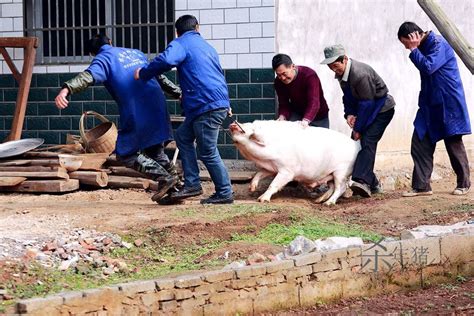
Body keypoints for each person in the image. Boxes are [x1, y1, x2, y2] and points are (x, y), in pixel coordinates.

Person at [55, 34, 181, 201]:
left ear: (92, 53)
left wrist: (66, 89)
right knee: (155, 149)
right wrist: (178, 93)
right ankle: (176, 189)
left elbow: (87, 77)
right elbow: (159, 76)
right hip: (158, 103)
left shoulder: (103, 58)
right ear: (111, 42)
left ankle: (166, 179)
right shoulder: (135, 53)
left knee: (125, 153)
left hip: (138, 108)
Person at [135, 15, 234, 205]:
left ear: (177, 31)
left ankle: (224, 192)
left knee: (207, 151)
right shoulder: (207, 47)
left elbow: (166, 60)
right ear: (197, 27)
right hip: (208, 103)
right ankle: (193, 183)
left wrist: (144, 72)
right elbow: (215, 75)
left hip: (205, 106)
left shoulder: (181, 43)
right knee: (183, 137)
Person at [397, 22, 471, 197]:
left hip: (447, 103)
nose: (406, 47)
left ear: (413, 36)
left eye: (405, 43)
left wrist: (414, 50)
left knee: (453, 142)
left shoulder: (439, 44)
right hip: (430, 104)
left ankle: (464, 183)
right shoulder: (422, 46)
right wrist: (415, 50)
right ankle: (422, 186)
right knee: (420, 140)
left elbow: (429, 67)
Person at [321, 44, 395, 198]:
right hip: (366, 108)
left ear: (345, 59)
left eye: (336, 65)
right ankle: (373, 184)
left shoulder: (360, 74)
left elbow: (367, 104)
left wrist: (358, 129)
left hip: (381, 109)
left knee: (367, 140)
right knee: (355, 145)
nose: (334, 70)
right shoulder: (342, 75)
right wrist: (349, 115)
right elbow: (348, 97)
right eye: (330, 67)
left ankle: (362, 181)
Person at [272, 54, 329, 128]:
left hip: (319, 116)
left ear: (292, 66)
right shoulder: (278, 82)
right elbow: (284, 103)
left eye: (284, 74)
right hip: (297, 114)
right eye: (279, 75)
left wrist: (306, 120)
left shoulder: (309, 75)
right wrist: (282, 116)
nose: (282, 78)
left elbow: (314, 102)